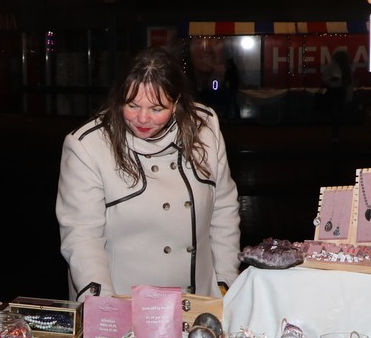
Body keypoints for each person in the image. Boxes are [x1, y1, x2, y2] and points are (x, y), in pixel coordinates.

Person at [56, 46, 240, 297]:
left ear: (176, 102)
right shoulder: (87, 146)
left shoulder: (205, 126)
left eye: (156, 109)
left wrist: (226, 280)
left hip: (199, 301)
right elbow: (82, 237)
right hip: (124, 302)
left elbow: (224, 209)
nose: (142, 119)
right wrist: (103, 306)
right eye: (132, 105)